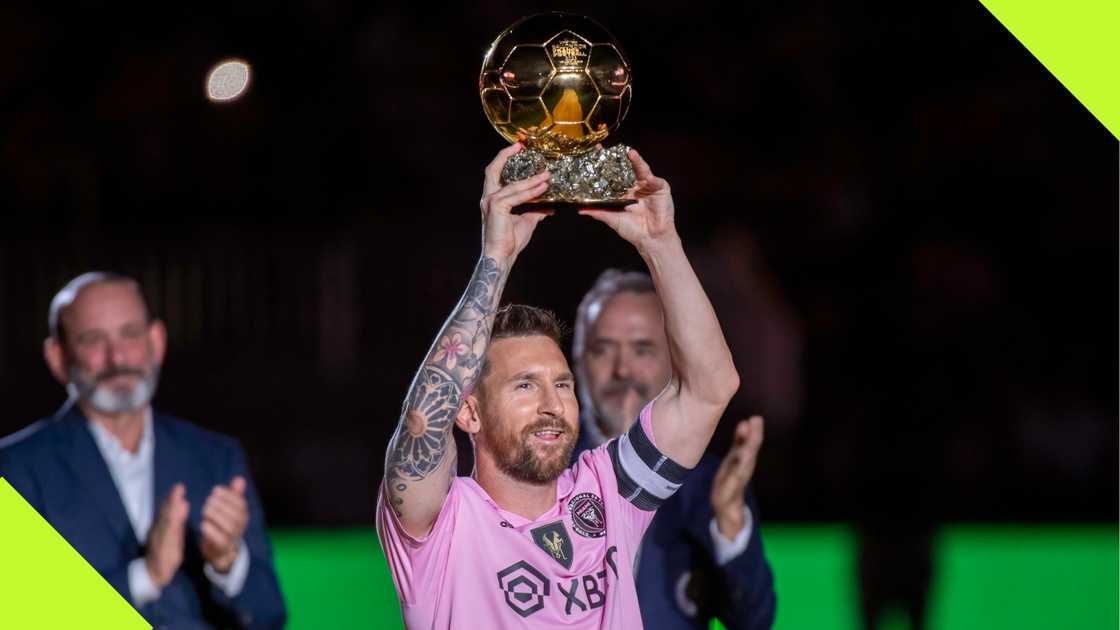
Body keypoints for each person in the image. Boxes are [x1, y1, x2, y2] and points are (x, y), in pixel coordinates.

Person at [376, 144, 740, 628]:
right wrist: (496, 259)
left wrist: (661, 243)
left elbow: (710, 388)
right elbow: (422, 422)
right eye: (525, 386)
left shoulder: (610, 490)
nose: (553, 405)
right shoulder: (441, 523)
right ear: (469, 412)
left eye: (563, 384)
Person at [0, 272, 286, 629]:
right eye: (93, 339)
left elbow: (270, 616)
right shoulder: (13, 469)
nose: (117, 356)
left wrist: (228, 563)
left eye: (130, 334)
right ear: (58, 357)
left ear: (157, 341)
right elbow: (19, 616)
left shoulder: (216, 457)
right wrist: (145, 576)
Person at [572, 270, 777, 629]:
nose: (622, 369)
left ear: (673, 360)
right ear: (578, 361)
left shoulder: (707, 484)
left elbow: (754, 620)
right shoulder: (541, 473)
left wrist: (728, 518)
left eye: (642, 349)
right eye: (603, 349)